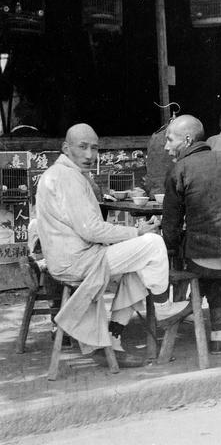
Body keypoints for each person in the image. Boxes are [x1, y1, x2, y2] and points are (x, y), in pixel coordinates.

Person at [35, 123, 188, 368]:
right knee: (152, 243)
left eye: (94, 149)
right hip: (78, 261)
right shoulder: (66, 177)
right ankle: (163, 308)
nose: (89, 155)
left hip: (77, 256)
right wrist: (137, 231)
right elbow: (92, 230)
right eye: (82, 147)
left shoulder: (67, 174)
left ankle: (113, 338)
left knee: (139, 266)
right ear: (66, 148)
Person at [162, 114, 221, 355]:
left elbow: (169, 231)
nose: (166, 146)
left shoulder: (179, 170)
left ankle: (185, 309)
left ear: (188, 139)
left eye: (170, 140)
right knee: (211, 246)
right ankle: (218, 329)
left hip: (205, 258)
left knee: (197, 250)